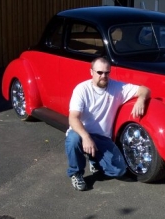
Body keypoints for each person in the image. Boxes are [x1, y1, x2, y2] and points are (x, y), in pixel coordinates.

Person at [65, 57, 151, 191]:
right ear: (91, 72)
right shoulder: (81, 89)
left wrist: (141, 99)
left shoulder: (117, 87)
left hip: (102, 137)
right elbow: (73, 118)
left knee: (119, 170)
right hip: (81, 133)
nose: (103, 76)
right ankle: (76, 173)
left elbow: (145, 89)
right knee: (73, 139)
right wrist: (86, 137)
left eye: (107, 72)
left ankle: (95, 160)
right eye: (99, 72)